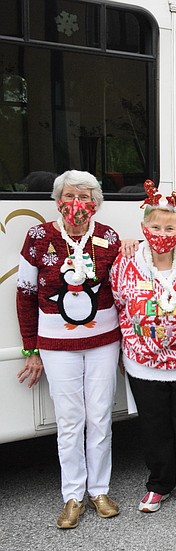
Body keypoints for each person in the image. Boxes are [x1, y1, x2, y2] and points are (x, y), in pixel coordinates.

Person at [15, 170, 122, 529]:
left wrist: (126, 346)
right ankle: (73, 495)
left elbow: (121, 292)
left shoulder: (109, 237)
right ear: (58, 199)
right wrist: (31, 349)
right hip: (56, 346)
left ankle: (100, 490)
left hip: (104, 342)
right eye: (70, 196)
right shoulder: (38, 236)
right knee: (70, 420)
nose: (77, 203)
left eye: (85, 197)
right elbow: (25, 294)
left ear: (96, 203)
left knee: (100, 417)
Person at [112, 181, 176, 513]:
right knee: (154, 426)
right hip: (143, 362)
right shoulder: (126, 262)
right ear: (144, 227)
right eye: (155, 227)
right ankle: (159, 484)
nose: (162, 233)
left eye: (170, 227)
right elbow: (118, 304)